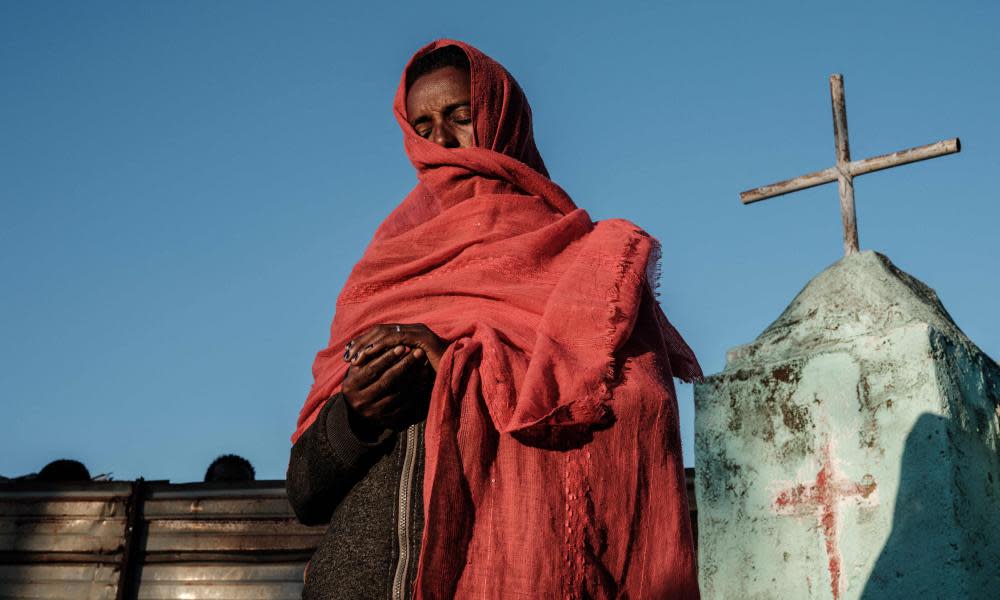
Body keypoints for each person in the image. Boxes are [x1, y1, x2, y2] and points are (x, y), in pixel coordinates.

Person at [286, 40, 702, 600]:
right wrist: (356, 416)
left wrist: (470, 369)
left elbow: (638, 418)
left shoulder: (588, 267)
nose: (442, 143)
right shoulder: (384, 269)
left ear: (502, 118)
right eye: (423, 127)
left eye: (461, 117)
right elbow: (305, 494)